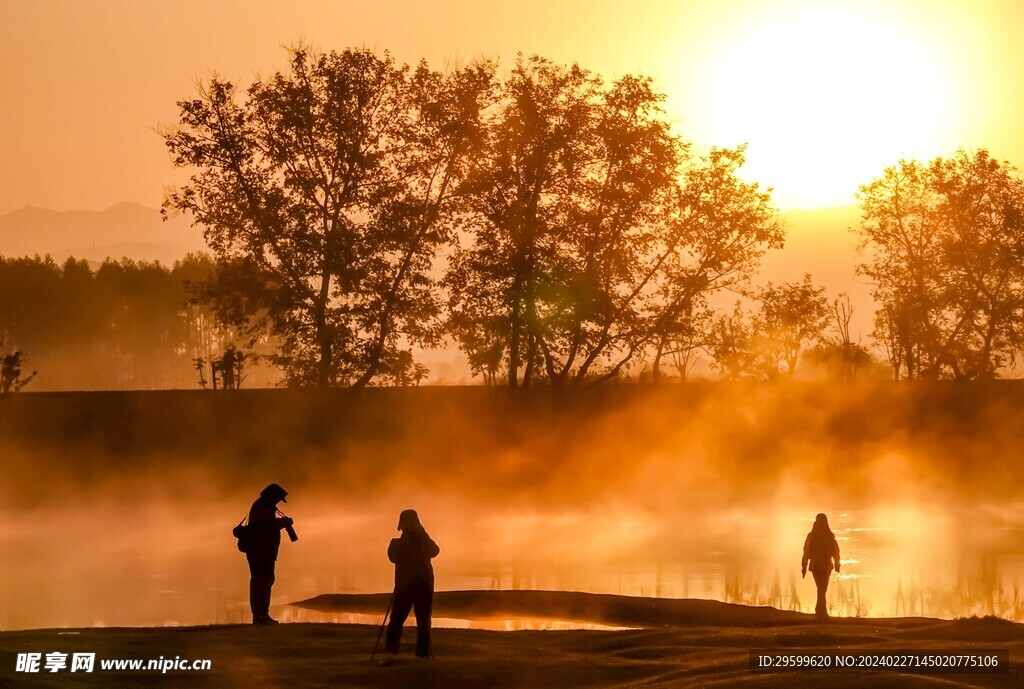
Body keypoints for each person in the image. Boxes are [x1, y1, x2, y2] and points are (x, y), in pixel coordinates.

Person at [382, 509, 439, 660]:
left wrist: (420, 535)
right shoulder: (404, 543)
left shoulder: (403, 543)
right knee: (417, 620)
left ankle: (392, 653)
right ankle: (421, 655)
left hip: (407, 585)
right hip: (417, 585)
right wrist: (421, 533)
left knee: (400, 620)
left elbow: (435, 551)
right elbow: (434, 551)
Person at [246, 483, 294, 625]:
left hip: (263, 552)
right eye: (278, 499)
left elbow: (267, 525)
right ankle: (260, 616)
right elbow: (265, 527)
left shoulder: (263, 506)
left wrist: (281, 522)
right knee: (262, 582)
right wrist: (282, 523)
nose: (278, 502)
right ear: (272, 496)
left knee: (264, 582)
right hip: (260, 552)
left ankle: (262, 615)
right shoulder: (262, 507)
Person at [801, 513, 841, 619]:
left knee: (821, 588)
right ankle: (821, 611)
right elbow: (835, 551)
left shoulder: (812, 535)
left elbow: (806, 552)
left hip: (816, 566)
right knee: (822, 588)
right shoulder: (829, 535)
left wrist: (804, 566)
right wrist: (837, 564)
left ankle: (820, 610)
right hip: (825, 566)